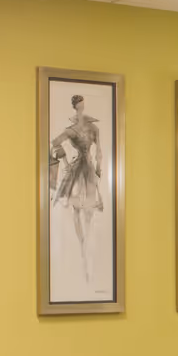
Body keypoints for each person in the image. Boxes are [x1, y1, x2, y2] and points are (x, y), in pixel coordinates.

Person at [50, 94, 103, 286]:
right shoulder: (71, 130)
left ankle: (86, 245)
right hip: (78, 165)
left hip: (87, 166)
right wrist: (64, 161)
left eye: (83, 106)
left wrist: (99, 166)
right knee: (76, 207)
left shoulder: (92, 128)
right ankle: (81, 245)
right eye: (79, 107)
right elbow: (55, 142)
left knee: (89, 206)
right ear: (75, 108)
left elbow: (100, 150)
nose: (81, 109)